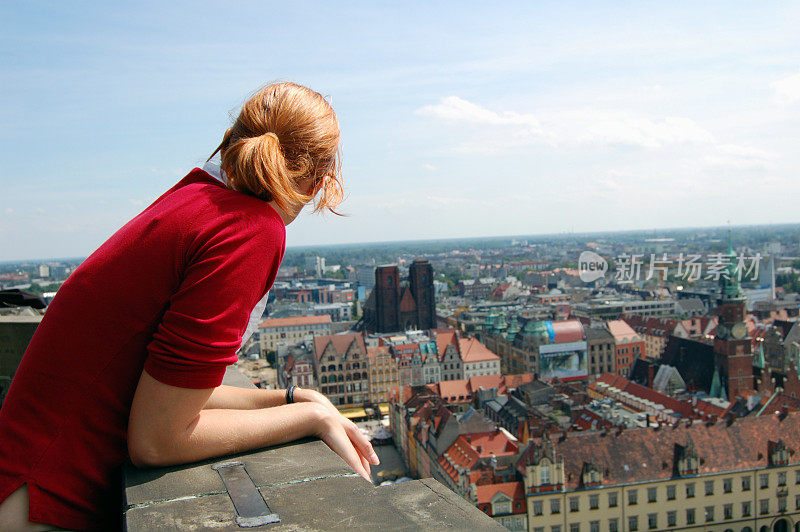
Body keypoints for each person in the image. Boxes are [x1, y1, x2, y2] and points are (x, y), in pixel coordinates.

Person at [0, 82, 379, 531]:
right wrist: (310, 417)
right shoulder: (249, 229)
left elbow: (175, 391)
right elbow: (157, 439)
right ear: (321, 179)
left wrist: (292, 396)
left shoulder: (192, 201)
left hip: (23, 485)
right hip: (47, 502)